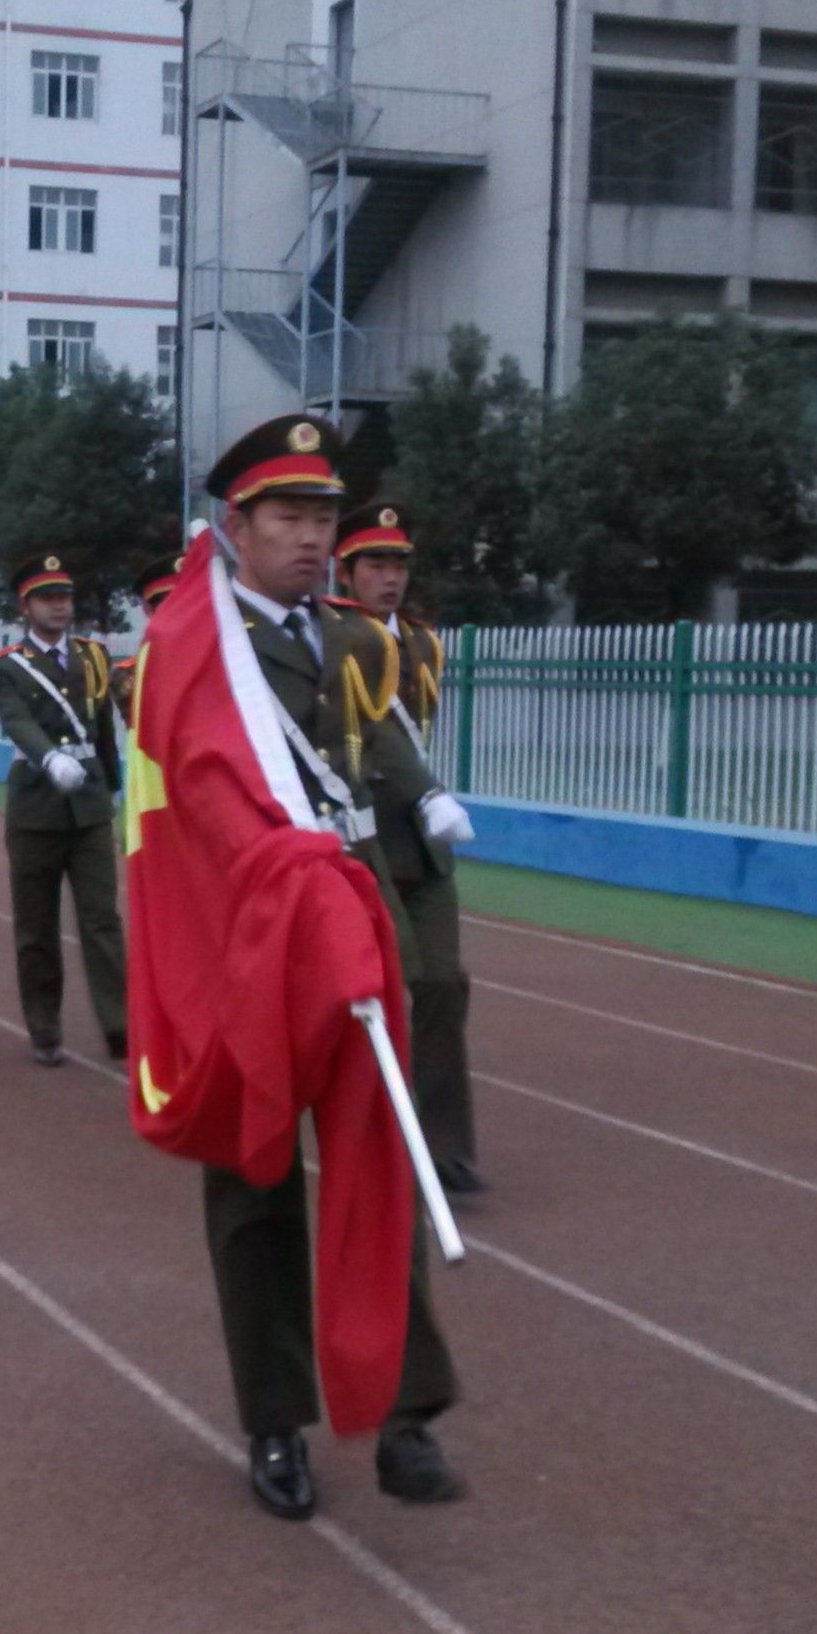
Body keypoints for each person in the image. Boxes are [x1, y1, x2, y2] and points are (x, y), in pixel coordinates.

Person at [197, 416, 475, 1519]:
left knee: (380, 1160)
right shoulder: (197, 648)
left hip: (358, 928)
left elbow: (378, 742)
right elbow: (179, 804)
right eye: (290, 516)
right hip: (253, 943)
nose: (313, 537)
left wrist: (424, 795)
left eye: (323, 516)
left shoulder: (354, 641)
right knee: (255, 1183)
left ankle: (406, 1413)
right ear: (239, 525)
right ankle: (276, 1419)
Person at [334, 504, 482, 1196]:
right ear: (347, 572)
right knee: (386, 988)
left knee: (445, 984)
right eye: (375, 565)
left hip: (424, 844)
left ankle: (445, 1149)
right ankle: (378, 1137)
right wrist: (425, 791)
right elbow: (367, 731)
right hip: (362, 839)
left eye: (398, 564)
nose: (390, 577)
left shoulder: (422, 644)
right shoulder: (330, 638)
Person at [0, 557, 127, 1069]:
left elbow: (103, 728)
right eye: (47, 598)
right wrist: (48, 758)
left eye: (64, 596)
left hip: (88, 809)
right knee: (36, 928)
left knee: (102, 922)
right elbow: (16, 721)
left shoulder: (93, 657)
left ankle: (120, 1027)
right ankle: (44, 1028)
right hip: (36, 810)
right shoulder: (7, 665)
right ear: (26, 606)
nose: (59, 606)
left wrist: (111, 785)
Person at [110, 562, 178, 732]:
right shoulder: (130, 675)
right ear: (147, 609)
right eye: (168, 603)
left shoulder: (228, 662)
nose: (179, 610)